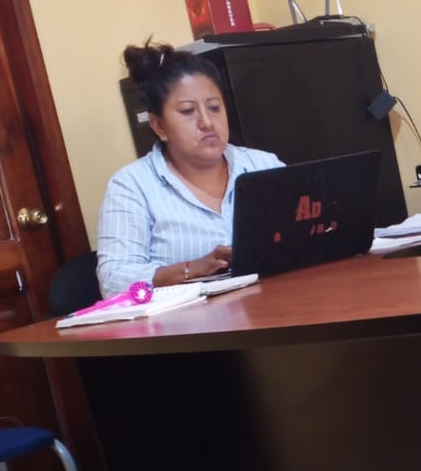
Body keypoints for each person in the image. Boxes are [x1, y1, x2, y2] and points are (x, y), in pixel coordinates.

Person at [96, 41, 285, 297]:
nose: (207, 122)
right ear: (158, 125)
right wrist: (193, 268)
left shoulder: (264, 165)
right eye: (187, 111)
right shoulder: (132, 185)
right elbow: (113, 280)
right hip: (190, 320)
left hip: (275, 305)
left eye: (214, 108)